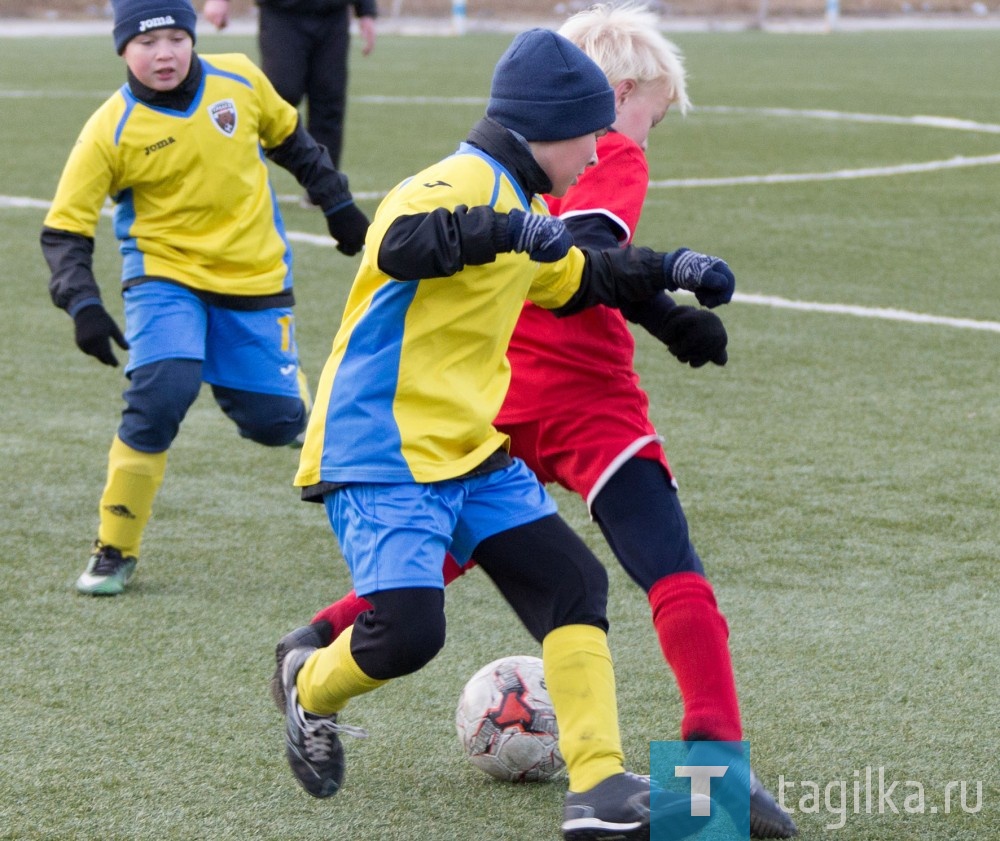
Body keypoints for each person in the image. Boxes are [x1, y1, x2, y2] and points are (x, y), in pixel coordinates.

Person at [273, 4, 797, 837]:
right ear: (549, 126)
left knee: (573, 584)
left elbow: (585, 276)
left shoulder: (525, 203)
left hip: (475, 449)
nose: (599, 153)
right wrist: (504, 228)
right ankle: (307, 685)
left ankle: (598, 788)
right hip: (383, 449)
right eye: (588, 134)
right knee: (410, 631)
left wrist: (673, 275)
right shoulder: (463, 180)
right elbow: (401, 238)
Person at [40, 0, 370, 596]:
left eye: (174, 37)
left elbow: (296, 142)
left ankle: (288, 394)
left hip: (254, 278)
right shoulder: (109, 128)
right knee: (162, 389)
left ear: (193, 38)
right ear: (121, 49)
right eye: (145, 43)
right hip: (164, 277)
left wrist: (339, 205)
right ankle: (115, 547)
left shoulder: (239, 78)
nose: (162, 53)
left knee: (273, 425)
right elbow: (65, 229)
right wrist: (82, 303)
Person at [203, 0, 377, 172]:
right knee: (280, 93)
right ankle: (237, 169)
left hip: (333, 15)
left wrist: (366, 10)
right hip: (281, 14)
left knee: (329, 101)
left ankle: (326, 192)